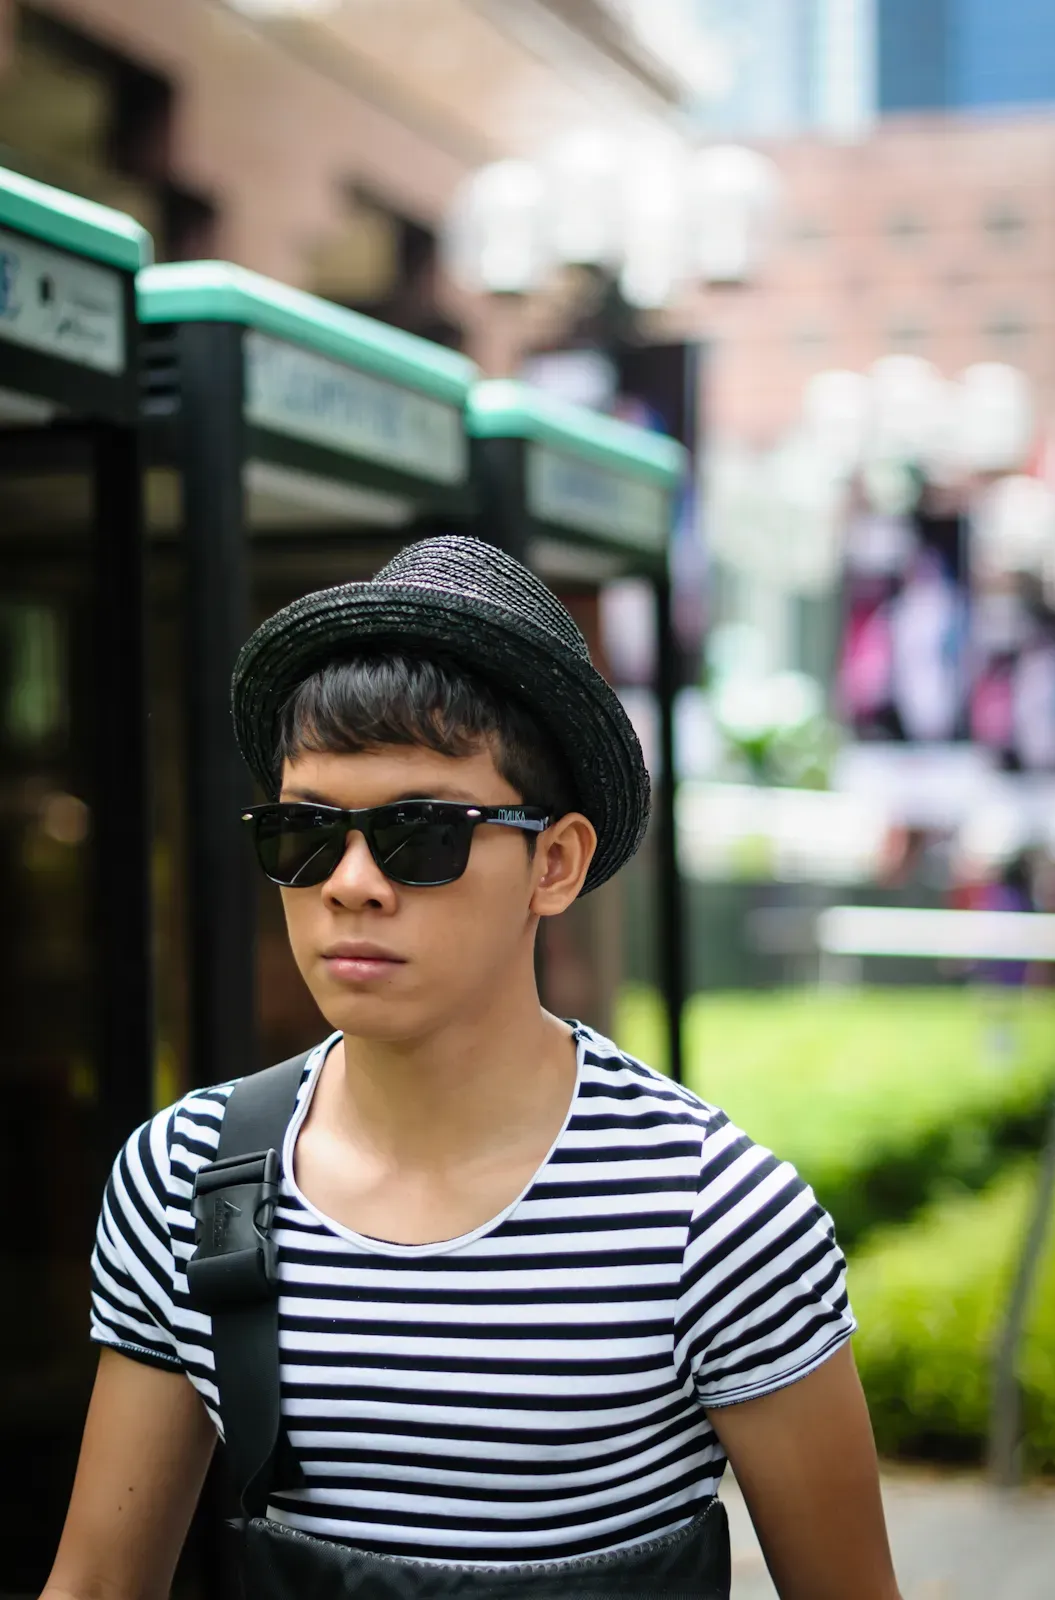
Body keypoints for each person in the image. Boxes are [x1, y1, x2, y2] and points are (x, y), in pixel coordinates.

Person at [43, 538, 900, 1600]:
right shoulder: (187, 1178)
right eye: (305, 832)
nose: (351, 883)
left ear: (555, 862)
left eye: (421, 832)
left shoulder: (709, 1213)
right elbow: (93, 1584)